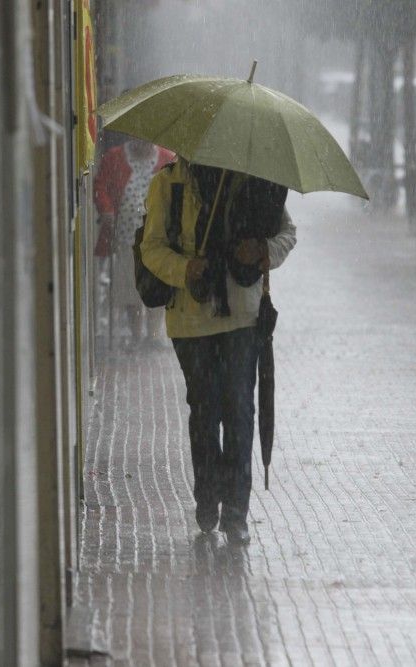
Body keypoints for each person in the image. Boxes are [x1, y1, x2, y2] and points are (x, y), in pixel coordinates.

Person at [140, 157, 296, 545]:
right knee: (205, 409)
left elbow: (287, 233)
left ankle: (236, 513)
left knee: (240, 409)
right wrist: (186, 268)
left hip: (242, 318)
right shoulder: (168, 185)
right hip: (190, 321)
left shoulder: (252, 181)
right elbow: (152, 247)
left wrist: (262, 249)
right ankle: (207, 495)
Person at [93, 138, 175, 348]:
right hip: (125, 237)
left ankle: (154, 335)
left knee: (155, 284)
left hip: (157, 238)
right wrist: (107, 210)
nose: (144, 144)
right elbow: (100, 186)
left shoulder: (167, 158)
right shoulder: (115, 157)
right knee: (131, 288)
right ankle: (137, 334)